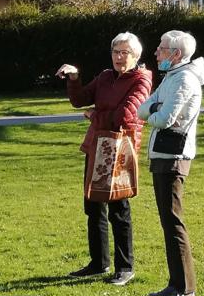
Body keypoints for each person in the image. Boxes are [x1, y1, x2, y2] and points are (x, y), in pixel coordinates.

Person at [56, 32, 152, 287]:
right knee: (93, 207)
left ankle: (125, 267)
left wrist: (93, 116)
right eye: (115, 52)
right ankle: (98, 263)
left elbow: (124, 118)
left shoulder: (142, 80)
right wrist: (74, 78)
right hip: (96, 147)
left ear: (136, 56)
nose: (119, 57)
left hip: (120, 151)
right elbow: (79, 100)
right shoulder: (106, 76)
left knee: (119, 211)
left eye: (125, 53)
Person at [137, 30, 204, 296]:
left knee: (173, 221)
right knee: (168, 221)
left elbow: (164, 118)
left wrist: (153, 110)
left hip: (173, 156)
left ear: (176, 54)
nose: (156, 52)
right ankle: (177, 284)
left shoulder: (184, 80)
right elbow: (143, 108)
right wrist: (153, 109)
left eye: (162, 48)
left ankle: (183, 288)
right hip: (162, 155)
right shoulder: (172, 77)